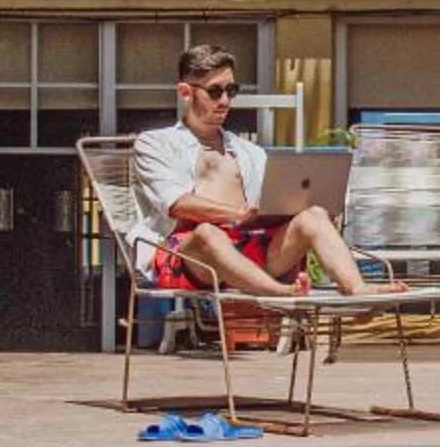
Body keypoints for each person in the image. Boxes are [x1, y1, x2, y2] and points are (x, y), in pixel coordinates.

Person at [132, 43, 396, 300]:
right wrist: (237, 214)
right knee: (207, 233)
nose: (225, 101)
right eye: (214, 92)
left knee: (313, 216)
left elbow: (269, 205)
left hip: (251, 250)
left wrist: (301, 207)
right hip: (190, 257)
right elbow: (177, 203)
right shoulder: (156, 144)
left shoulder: (250, 152)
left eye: (231, 90)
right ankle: (279, 293)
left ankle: (357, 292)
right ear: (185, 91)